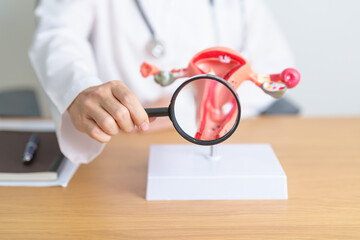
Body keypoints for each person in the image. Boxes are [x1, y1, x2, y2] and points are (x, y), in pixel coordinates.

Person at [29, 0, 294, 164]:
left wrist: (193, 103)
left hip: (228, 132)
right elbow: (59, 35)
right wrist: (78, 88)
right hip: (126, 140)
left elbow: (276, 67)